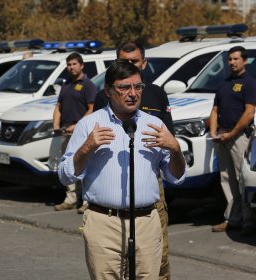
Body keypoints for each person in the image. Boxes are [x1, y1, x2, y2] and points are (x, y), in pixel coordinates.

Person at [58, 60, 186, 280]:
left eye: (138, 87)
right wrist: (86, 148)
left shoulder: (154, 125)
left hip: (146, 222)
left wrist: (175, 149)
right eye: (124, 87)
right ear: (108, 91)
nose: (133, 93)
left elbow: (177, 177)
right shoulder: (89, 125)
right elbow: (64, 175)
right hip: (104, 223)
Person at [94, 41, 174, 280]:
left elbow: (168, 138)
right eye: (123, 62)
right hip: (115, 188)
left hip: (150, 185)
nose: (129, 66)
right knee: (119, 259)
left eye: (134, 62)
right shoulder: (103, 96)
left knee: (158, 257)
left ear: (144, 64)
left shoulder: (157, 93)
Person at [209, 46, 256, 235]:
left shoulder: (250, 83)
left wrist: (233, 133)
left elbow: (249, 111)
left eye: (236, 59)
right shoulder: (223, 84)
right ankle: (232, 218)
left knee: (242, 179)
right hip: (222, 137)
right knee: (226, 179)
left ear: (244, 61)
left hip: (239, 138)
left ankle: (248, 221)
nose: (232, 62)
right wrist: (214, 131)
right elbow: (215, 110)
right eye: (230, 59)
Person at [53, 52, 98, 213]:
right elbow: (58, 106)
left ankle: (86, 201)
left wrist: (78, 126)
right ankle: (71, 198)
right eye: (69, 64)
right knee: (68, 165)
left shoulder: (88, 85)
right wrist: (56, 124)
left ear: (81, 65)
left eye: (74, 64)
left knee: (84, 165)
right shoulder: (66, 85)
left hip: (82, 133)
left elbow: (92, 109)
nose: (71, 67)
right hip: (66, 131)